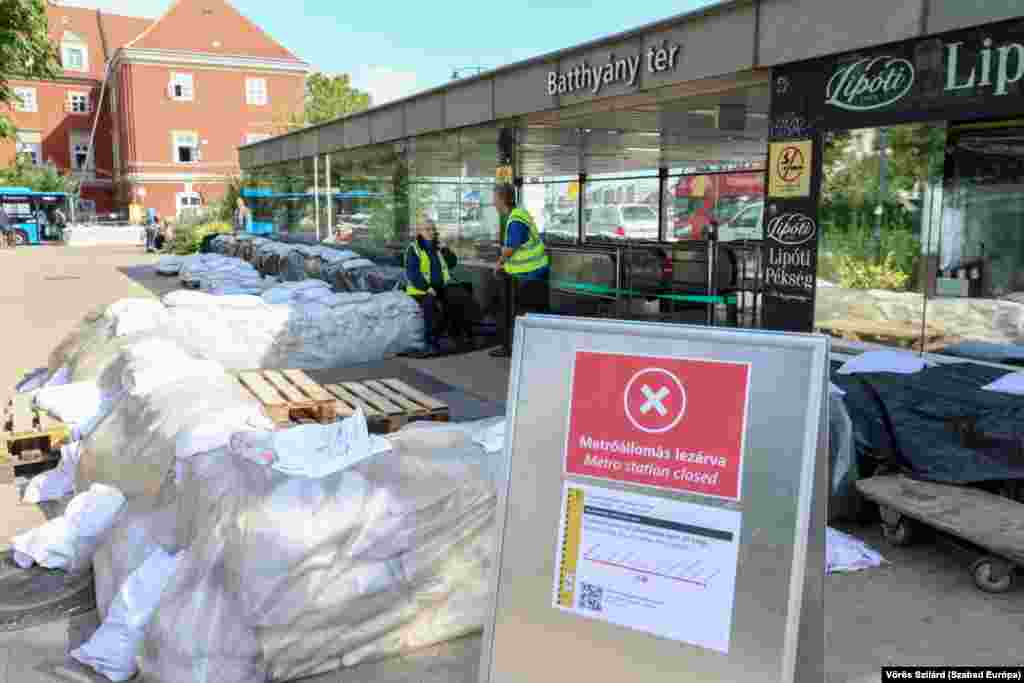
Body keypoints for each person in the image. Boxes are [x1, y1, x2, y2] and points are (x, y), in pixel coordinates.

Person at [490, 184, 550, 358]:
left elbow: (511, 247)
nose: (493, 203)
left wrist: (499, 263)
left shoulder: (516, 219)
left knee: (520, 312)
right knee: (531, 312)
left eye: (494, 199)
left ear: (502, 199)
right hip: (531, 273)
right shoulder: (518, 215)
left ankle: (514, 348)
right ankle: (525, 347)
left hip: (530, 274)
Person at [404, 218, 473, 357]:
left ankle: (459, 337)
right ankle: (430, 344)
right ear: (420, 232)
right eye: (427, 229)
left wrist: (444, 248)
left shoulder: (438, 247)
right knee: (430, 305)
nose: (431, 232)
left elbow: (452, 262)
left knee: (459, 297)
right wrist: (426, 288)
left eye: (433, 229)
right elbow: (413, 274)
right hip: (421, 290)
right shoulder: (414, 249)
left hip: (440, 287)